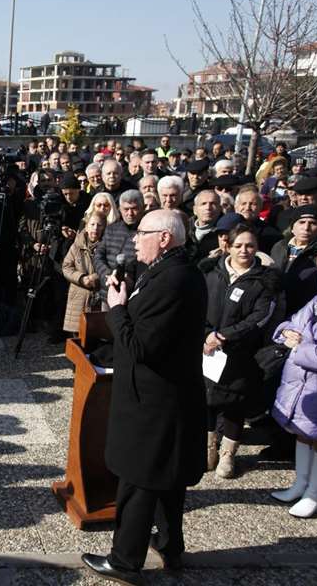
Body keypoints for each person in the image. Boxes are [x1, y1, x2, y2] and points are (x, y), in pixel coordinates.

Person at [83, 210, 208, 584]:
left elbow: (140, 345)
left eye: (141, 233)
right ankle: (170, 548)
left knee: (138, 481)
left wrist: (118, 308)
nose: (134, 240)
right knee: (166, 480)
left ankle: (124, 561)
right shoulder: (167, 272)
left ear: (165, 238)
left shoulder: (175, 280)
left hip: (156, 403)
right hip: (163, 398)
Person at [202, 224, 280, 479]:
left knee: (234, 405)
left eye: (249, 245)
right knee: (208, 401)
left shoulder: (263, 280)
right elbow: (197, 307)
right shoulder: (212, 273)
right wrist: (206, 336)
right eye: (238, 245)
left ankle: (228, 455)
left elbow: (260, 316)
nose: (244, 250)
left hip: (241, 351)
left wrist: (226, 335)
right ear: (227, 246)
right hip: (209, 349)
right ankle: (208, 449)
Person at [269, 280, 317, 517]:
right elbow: (294, 322)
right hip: (300, 383)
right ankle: (300, 484)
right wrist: (285, 331)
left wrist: (299, 348)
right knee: (303, 431)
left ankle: (315, 494)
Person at [62, 213, 107, 333]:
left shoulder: (108, 246)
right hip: (79, 298)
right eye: (92, 224)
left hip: (99, 298)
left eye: (99, 225)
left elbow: (112, 268)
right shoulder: (77, 245)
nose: (95, 228)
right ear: (86, 227)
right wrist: (81, 278)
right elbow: (66, 267)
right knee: (77, 337)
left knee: (97, 335)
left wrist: (96, 277)